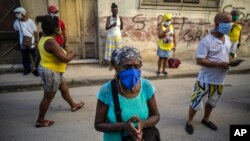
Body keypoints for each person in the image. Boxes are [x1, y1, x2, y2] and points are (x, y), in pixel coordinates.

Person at [94, 46, 160, 141]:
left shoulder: (146, 86)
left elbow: (156, 115)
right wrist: (123, 126)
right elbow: (98, 124)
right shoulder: (106, 90)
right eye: (127, 67)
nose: (133, 71)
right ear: (116, 68)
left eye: (136, 66)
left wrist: (143, 124)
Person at [185, 12, 234, 135]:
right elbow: (200, 60)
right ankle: (189, 121)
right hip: (205, 80)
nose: (230, 24)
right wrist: (218, 64)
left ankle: (206, 119)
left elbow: (229, 54)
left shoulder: (227, 39)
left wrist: (231, 61)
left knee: (212, 103)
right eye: (227, 22)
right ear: (217, 24)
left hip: (220, 80)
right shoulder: (207, 41)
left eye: (231, 21)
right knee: (196, 103)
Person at [34, 15, 84, 127]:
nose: (61, 28)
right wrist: (73, 53)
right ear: (56, 29)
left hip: (52, 70)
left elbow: (38, 55)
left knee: (64, 88)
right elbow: (65, 59)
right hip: (51, 72)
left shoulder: (43, 38)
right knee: (48, 97)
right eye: (59, 27)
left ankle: (73, 105)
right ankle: (40, 119)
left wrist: (35, 67)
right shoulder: (51, 42)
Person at [13, 7, 39, 75]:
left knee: (35, 57)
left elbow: (35, 32)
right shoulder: (16, 22)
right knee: (25, 58)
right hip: (23, 43)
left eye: (18, 13)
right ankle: (27, 70)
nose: (16, 15)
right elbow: (16, 30)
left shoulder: (30, 22)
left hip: (32, 43)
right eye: (16, 13)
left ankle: (37, 70)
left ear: (23, 14)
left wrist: (36, 41)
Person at [104, 3, 123, 70]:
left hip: (118, 37)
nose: (115, 12)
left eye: (116, 11)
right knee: (110, 51)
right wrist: (112, 25)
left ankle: (118, 65)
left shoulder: (120, 18)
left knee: (118, 51)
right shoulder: (109, 18)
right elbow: (106, 28)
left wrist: (117, 31)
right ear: (111, 10)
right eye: (114, 11)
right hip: (110, 37)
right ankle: (111, 65)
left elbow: (121, 27)